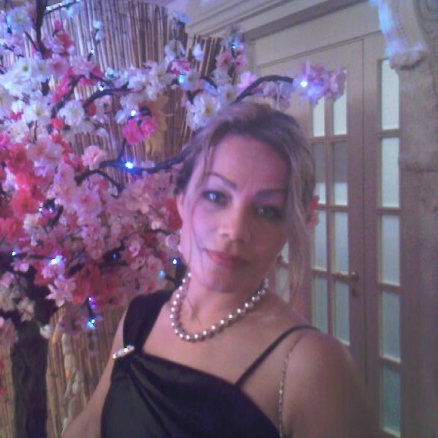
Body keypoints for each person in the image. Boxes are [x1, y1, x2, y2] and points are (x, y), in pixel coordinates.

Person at [62, 101, 375, 437]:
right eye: (216, 196)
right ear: (182, 200)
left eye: (267, 211)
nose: (235, 230)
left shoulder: (311, 366)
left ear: (296, 224)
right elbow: (90, 425)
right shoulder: (140, 319)